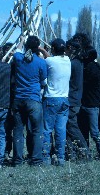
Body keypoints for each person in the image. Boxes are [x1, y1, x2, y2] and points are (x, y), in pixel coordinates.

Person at [12, 35, 48, 166]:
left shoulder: (19, 58)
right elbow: (44, 81)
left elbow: (17, 50)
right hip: (33, 99)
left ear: (27, 46)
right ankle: (36, 159)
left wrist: (21, 40)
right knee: (37, 130)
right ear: (37, 47)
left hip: (18, 99)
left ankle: (17, 160)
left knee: (18, 130)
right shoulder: (41, 62)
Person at [42, 38, 71, 166]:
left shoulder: (49, 61)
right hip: (64, 99)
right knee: (61, 129)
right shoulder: (68, 60)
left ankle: (46, 158)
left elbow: (48, 59)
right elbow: (52, 59)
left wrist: (41, 49)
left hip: (51, 98)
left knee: (47, 129)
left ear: (53, 49)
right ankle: (61, 158)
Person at [78, 45, 100, 160]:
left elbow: (84, 82)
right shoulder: (94, 66)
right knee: (86, 131)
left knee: (94, 132)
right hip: (89, 103)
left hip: (91, 104)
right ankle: (87, 153)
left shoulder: (91, 68)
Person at [65, 33, 90, 161]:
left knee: (72, 127)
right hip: (75, 99)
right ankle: (71, 154)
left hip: (72, 100)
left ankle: (85, 150)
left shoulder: (72, 63)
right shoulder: (78, 62)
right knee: (68, 127)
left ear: (71, 49)